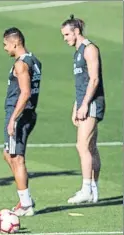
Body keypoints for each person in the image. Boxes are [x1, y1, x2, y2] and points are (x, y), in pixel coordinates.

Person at [61, 15, 105, 204]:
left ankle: (86, 188)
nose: (65, 38)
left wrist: (85, 104)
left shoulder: (89, 49)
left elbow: (94, 80)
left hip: (93, 103)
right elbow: (82, 83)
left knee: (82, 146)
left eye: (67, 34)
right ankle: (94, 190)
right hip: (84, 102)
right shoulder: (77, 52)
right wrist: (76, 106)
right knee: (91, 147)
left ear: (76, 31)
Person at [2, 27, 42, 217]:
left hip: (19, 114)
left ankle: (26, 204)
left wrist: (13, 119)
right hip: (26, 114)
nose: (4, 48)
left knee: (16, 158)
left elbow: (25, 93)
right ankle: (25, 195)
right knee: (8, 154)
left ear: (14, 43)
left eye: (5, 44)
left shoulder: (21, 64)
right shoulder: (34, 60)